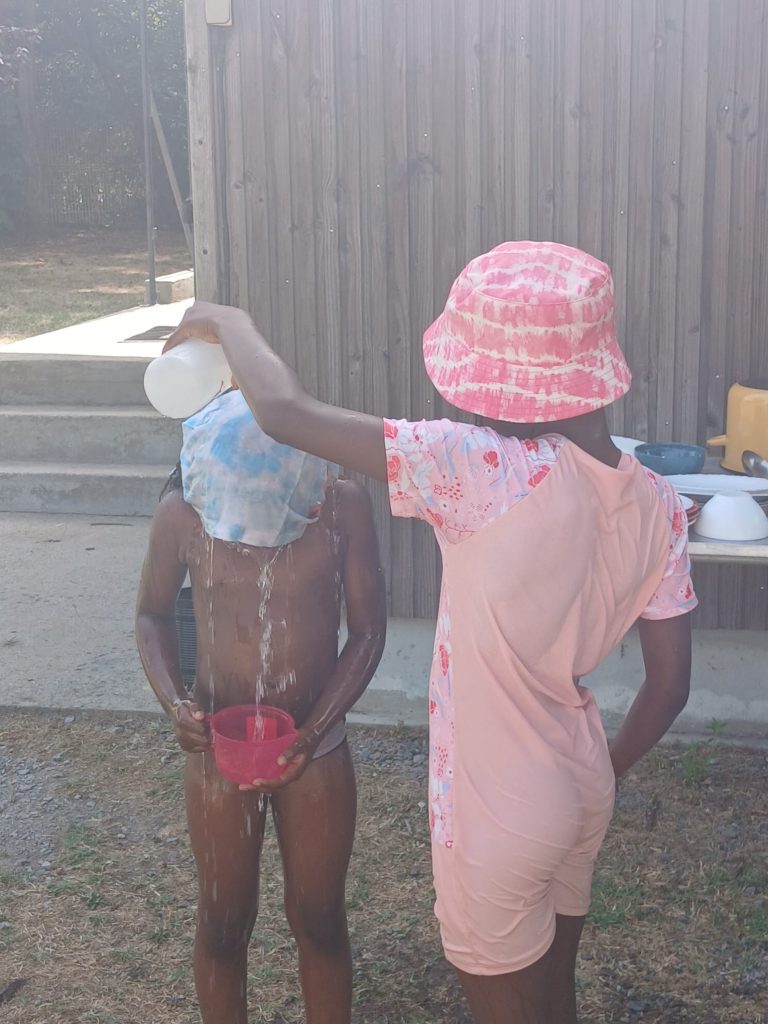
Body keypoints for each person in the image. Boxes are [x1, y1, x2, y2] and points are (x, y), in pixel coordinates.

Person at [164, 241, 695, 1024]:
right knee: (555, 1001)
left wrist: (224, 318)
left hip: (498, 806)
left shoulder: (480, 469)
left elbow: (285, 415)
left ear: (499, 387)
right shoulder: (659, 501)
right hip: (584, 779)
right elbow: (671, 686)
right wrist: (601, 771)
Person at [135, 389, 386, 1024]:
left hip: (316, 750)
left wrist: (316, 728)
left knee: (320, 917)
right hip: (217, 750)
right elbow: (151, 614)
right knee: (222, 921)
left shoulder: (341, 507)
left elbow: (367, 632)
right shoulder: (182, 515)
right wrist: (175, 703)